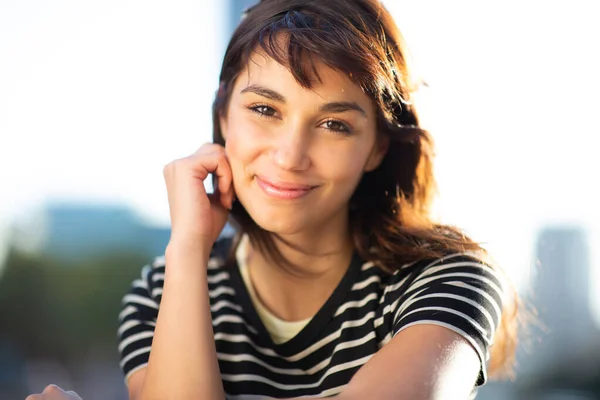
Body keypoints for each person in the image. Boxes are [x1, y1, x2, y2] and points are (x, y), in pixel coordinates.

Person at [26, 0, 518, 399]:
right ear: (222, 116)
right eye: (264, 108)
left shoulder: (446, 278)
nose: (289, 156)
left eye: (334, 124)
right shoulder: (162, 294)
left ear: (377, 148)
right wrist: (188, 249)